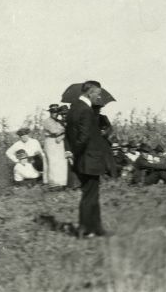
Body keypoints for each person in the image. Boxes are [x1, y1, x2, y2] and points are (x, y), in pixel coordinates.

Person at [65, 80, 111, 238]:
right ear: (90, 93)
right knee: (90, 195)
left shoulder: (73, 109)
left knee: (91, 193)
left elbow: (69, 135)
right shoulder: (86, 110)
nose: (98, 98)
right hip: (89, 158)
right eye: (97, 94)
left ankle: (96, 228)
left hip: (82, 159)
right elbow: (83, 138)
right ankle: (84, 229)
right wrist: (79, 153)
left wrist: (72, 154)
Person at [42, 104, 68, 188]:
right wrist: (66, 129)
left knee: (60, 161)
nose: (55, 114)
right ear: (50, 113)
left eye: (57, 112)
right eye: (53, 112)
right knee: (52, 161)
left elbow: (62, 131)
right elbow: (55, 131)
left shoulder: (59, 121)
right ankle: (52, 183)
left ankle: (61, 182)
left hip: (59, 142)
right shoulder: (47, 121)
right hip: (50, 142)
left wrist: (64, 131)